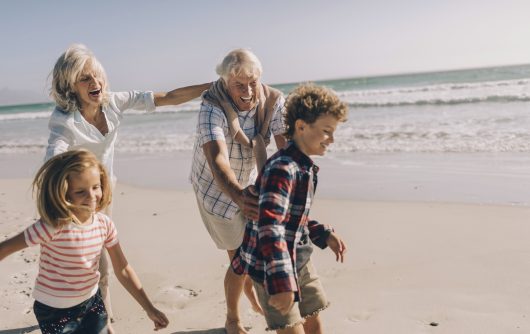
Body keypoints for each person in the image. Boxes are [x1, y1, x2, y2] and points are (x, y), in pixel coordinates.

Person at [45, 43, 210, 326]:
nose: (95, 83)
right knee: (94, 266)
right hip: (74, 201)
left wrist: (211, 87)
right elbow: (54, 156)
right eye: (85, 78)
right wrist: (56, 196)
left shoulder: (113, 101)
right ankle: (102, 322)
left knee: (102, 264)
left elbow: (167, 97)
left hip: (104, 195)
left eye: (97, 75)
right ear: (70, 85)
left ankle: (100, 320)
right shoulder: (64, 120)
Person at [0, 149, 169, 334]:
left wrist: (149, 308)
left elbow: (123, 269)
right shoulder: (52, 226)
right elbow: (5, 248)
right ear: (64, 193)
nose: (91, 196)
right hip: (54, 311)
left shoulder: (105, 225)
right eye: (80, 191)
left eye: (96, 187)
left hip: (91, 302)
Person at [231, 84, 348, 333]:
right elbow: (270, 226)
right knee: (291, 329)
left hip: (300, 259)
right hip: (271, 268)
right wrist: (282, 283)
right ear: (301, 126)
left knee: (314, 320)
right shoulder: (283, 169)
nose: (332, 139)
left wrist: (322, 233)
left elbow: (293, 218)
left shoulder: (304, 167)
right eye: (327, 131)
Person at [190, 48, 287, 334]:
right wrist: (239, 196)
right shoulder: (212, 105)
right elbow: (217, 159)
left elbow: (284, 145)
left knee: (249, 254)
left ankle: (256, 300)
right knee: (240, 259)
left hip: (251, 180)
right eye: (238, 85)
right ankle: (233, 318)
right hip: (215, 190)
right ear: (225, 83)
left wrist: (286, 187)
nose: (247, 91)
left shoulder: (273, 100)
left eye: (252, 82)